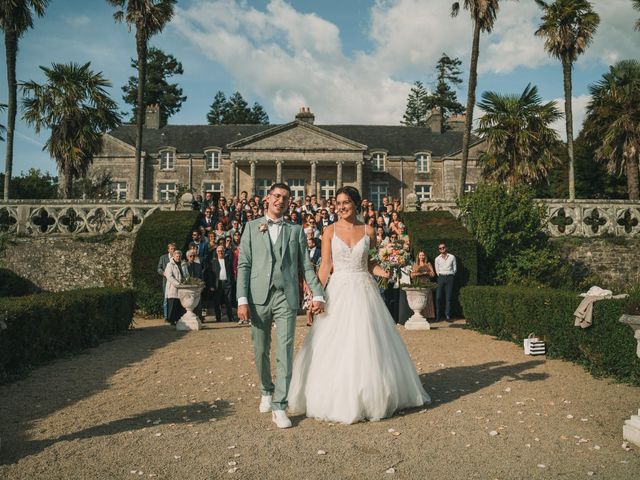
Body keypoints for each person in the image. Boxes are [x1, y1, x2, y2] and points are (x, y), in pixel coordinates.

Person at [288, 186, 430, 425]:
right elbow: (324, 267)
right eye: (338, 202)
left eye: (346, 202)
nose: (341, 207)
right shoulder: (329, 231)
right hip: (339, 289)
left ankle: (371, 395)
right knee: (335, 343)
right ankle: (336, 396)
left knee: (367, 341)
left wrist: (387, 269)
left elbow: (370, 263)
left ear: (356, 204)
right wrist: (315, 296)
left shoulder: (369, 230)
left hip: (364, 290)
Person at [236, 183, 325, 429]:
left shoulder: (296, 231)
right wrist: (241, 299)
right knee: (260, 349)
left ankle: (279, 405)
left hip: (286, 296)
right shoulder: (252, 227)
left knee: (285, 350)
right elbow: (244, 264)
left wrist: (318, 293)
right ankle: (266, 389)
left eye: (285, 198)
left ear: (289, 203)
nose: (280, 200)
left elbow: (305, 265)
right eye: (277, 196)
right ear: (267, 198)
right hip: (257, 297)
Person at [207, 245, 236, 323]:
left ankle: (231, 317)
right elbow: (210, 275)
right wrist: (211, 285)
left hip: (227, 283)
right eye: (219, 251)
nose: (220, 253)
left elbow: (231, 273)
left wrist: (231, 283)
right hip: (217, 284)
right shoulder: (213, 262)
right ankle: (218, 318)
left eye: (222, 251)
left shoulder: (228, 261)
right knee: (217, 302)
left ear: (224, 252)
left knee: (228, 301)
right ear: (216, 252)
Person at [410, 250, 436, 319]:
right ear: (418, 256)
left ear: (425, 256)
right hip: (419, 283)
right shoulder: (415, 265)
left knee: (428, 299)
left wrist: (428, 273)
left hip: (427, 283)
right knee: (420, 299)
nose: (422, 257)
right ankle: (419, 315)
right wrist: (421, 273)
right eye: (420, 255)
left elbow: (433, 274)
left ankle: (429, 316)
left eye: (423, 255)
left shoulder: (428, 264)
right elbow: (412, 275)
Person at [434, 242, 456, 322]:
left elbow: (454, 268)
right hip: (441, 277)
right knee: (438, 297)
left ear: (445, 248)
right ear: (439, 250)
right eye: (440, 248)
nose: (442, 249)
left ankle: (447, 316)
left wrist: (452, 274)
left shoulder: (452, 257)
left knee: (448, 298)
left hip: (450, 277)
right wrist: (441, 276)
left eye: (443, 247)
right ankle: (438, 316)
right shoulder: (437, 259)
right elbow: (437, 270)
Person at [164, 249, 185, 326]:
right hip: (173, 288)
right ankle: (171, 320)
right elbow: (169, 276)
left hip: (182, 288)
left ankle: (178, 319)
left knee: (179, 305)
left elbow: (185, 274)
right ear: (173, 256)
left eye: (179, 256)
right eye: (177, 256)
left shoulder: (183, 264)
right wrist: (178, 284)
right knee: (172, 305)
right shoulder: (169, 265)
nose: (178, 257)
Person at [157, 243, 176, 320]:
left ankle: (173, 316)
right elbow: (159, 268)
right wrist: (164, 273)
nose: (173, 250)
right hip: (166, 281)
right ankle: (166, 316)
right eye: (171, 249)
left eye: (174, 249)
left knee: (174, 299)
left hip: (175, 281)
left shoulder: (177, 257)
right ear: (168, 250)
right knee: (166, 299)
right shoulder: (163, 257)